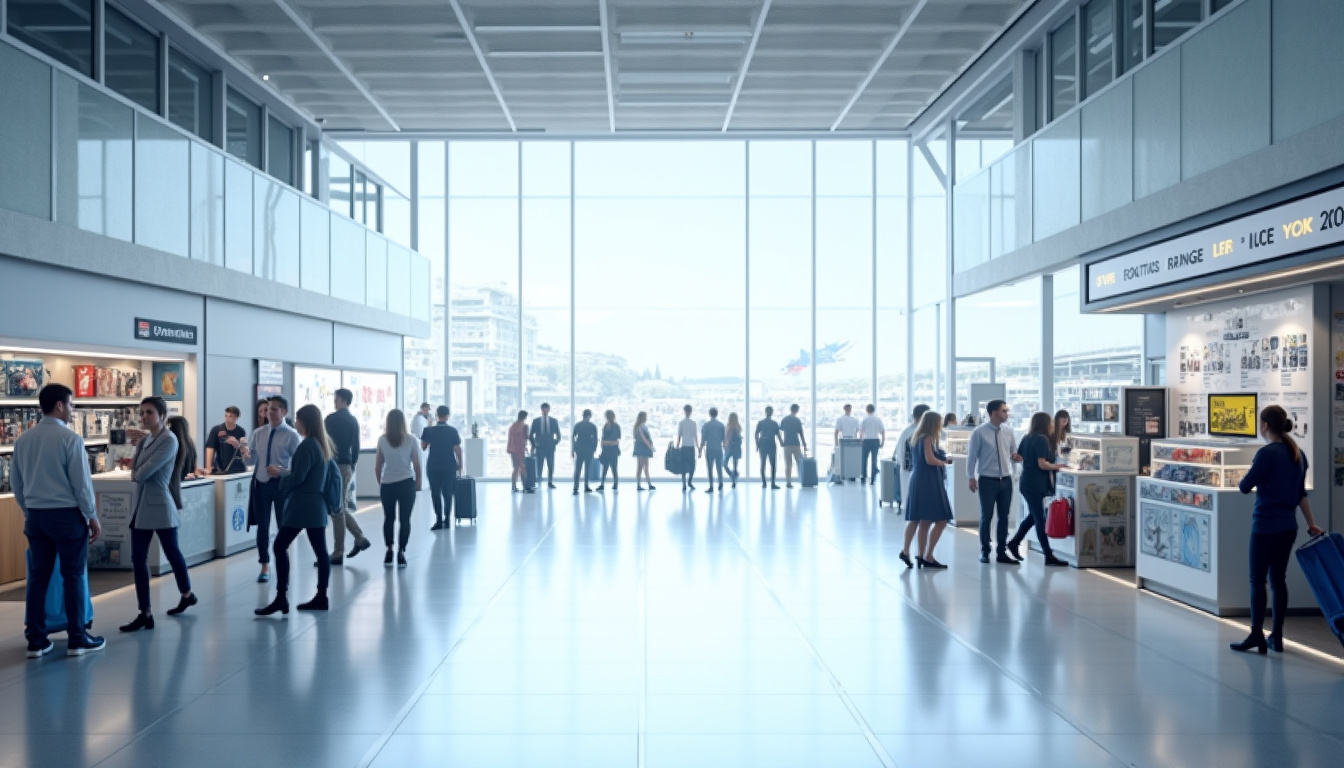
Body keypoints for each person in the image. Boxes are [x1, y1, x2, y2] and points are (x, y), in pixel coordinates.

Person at [12, 383, 105, 658]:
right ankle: (77, 638)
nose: (73, 410)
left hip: (36, 516)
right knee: (73, 575)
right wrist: (91, 516)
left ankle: (36, 640)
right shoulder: (70, 439)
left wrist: (28, 508)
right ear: (60, 405)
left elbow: (16, 483)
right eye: (71, 404)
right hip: (66, 516)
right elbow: (81, 484)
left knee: (38, 578)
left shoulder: (23, 440)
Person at [1232, 405, 1324, 654]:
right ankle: (1277, 636)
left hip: (1264, 525)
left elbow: (1244, 486)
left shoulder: (1266, 454)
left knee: (1257, 580)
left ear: (1264, 425)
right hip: (1288, 526)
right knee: (1278, 580)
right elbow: (1300, 494)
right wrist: (1311, 523)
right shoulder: (1298, 454)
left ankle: (1256, 635)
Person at [120, 398, 197, 632]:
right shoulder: (145, 441)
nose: (144, 417)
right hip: (142, 506)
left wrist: (137, 468)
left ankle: (186, 593)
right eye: (142, 412)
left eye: (149, 412)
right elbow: (135, 472)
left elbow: (141, 474)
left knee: (172, 553)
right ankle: (145, 612)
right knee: (138, 560)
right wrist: (137, 462)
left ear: (162, 415)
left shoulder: (169, 440)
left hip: (160, 505)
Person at [255, 404, 334, 615]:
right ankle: (321, 595)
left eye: (298, 420)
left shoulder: (307, 446)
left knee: (280, 545)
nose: (295, 423)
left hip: (302, 506)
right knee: (321, 551)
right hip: (316, 505)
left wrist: (280, 475)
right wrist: (286, 472)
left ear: (306, 422)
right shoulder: (321, 444)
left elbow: (298, 478)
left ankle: (282, 597)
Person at [244, 396, 301, 583]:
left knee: (284, 527)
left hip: (282, 486)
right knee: (263, 527)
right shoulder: (259, 433)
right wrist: (244, 453)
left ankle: (282, 563)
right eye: (268, 409)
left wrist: (281, 471)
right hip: (262, 485)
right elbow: (251, 460)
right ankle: (264, 565)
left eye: (274, 409)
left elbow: (298, 468)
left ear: (284, 412)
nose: (270, 413)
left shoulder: (292, 435)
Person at [1005, 412, 1069, 567]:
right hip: (1034, 484)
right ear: (1045, 424)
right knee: (1040, 519)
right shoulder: (1042, 439)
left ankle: (1014, 542)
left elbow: (1020, 457)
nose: (1052, 425)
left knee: (1034, 516)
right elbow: (1042, 464)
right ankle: (1048, 554)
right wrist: (1057, 466)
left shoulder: (1027, 437)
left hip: (1027, 481)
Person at [966, 399, 1022, 565]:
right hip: (987, 480)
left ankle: (1001, 552)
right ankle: (985, 550)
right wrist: (971, 477)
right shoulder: (979, 432)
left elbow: (1013, 452)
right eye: (1004, 411)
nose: (1007, 413)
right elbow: (972, 457)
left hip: (1005, 480)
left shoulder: (1008, 432)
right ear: (994, 413)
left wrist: (1016, 465)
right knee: (986, 516)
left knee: (1004, 516)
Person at [899, 410, 953, 569]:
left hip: (919, 479)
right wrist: (945, 462)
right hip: (928, 480)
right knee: (938, 519)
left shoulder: (916, 437)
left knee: (919, 518)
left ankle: (912, 552)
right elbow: (930, 460)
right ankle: (926, 555)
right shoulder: (927, 438)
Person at [324, 388, 372, 564]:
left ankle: (342, 550)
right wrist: (352, 464)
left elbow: (324, 443)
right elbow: (356, 446)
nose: (334, 402)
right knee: (339, 507)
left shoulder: (330, 419)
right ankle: (358, 540)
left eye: (336, 399)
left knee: (337, 509)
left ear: (343, 400)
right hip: (346, 466)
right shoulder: (352, 420)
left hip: (333, 466)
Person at [376, 409, 422, 568]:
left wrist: (381, 483)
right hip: (406, 483)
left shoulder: (382, 440)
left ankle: (389, 550)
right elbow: (416, 464)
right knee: (405, 519)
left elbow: (378, 466)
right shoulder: (411, 439)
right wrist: (418, 483)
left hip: (388, 484)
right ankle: (401, 552)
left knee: (389, 518)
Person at [423, 406, 465, 522]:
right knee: (447, 493)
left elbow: (423, 446)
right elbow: (458, 450)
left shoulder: (429, 430)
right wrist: (460, 465)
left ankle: (438, 519)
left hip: (433, 466)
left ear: (436, 415)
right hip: (449, 466)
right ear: (448, 416)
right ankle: (447, 519)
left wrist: (428, 426)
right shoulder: (453, 431)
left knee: (435, 493)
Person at [895, 404, 931, 509]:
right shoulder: (916, 433)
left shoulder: (907, 432)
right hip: (914, 472)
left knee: (910, 504)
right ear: (921, 417)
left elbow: (899, 456)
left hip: (908, 472)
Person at [203, 406, 247, 475]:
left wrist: (240, 445)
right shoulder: (216, 430)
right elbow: (210, 448)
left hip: (236, 467)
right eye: (226, 416)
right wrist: (208, 468)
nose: (227, 418)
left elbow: (243, 450)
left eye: (230, 416)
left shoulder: (241, 431)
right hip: (220, 467)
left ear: (236, 417)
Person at [530, 403, 562, 489]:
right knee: (539, 466)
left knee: (550, 466)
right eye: (543, 409)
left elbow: (558, 435)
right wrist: (534, 444)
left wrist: (554, 443)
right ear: (541, 409)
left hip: (550, 448)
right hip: (539, 447)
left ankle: (550, 482)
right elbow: (531, 435)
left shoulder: (554, 421)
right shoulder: (536, 421)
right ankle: (538, 481)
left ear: (549, 410)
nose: (545, 411)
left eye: (546, 409)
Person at [780, 404, 807, 488]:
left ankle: (788, 482)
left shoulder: (784, 419)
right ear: (797, 411)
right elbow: (801, 433)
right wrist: (804, 444)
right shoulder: (797, 420)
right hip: (796, 444)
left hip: (787, 444)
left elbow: (780, 431)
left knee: (788, 464)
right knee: (799, 463)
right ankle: (802, 479)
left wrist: (781, 442)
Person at [571, 409, 598, 495]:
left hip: (579, 448)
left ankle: (576, 487)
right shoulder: (592, 426)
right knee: (587, 469)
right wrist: (594, 449)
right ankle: (586, 486)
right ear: (590, 416)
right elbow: (595, 439)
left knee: (578, 469)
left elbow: (573, 438)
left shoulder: (578, 425)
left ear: (583, 415)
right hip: (589, 448)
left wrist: (573, 449)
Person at [755, 406, 782, 490]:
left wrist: (757, 444)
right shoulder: (774, 423)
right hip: (771, 444)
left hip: (763, 444)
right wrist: (782, 443)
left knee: (763, 463)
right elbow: (778, 435)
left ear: (765, 412)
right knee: (773, 464)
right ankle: (772, 483)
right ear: (772, 413)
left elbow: (756, 434)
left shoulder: (761, 422)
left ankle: (764, 483)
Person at [700, 407, 726, 493]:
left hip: (710, 449)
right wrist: (724, 448)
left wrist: (700, 450)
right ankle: (720, 483)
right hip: (718, 449)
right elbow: (724, 439)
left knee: (710, 468)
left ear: (709, 414)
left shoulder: (706, 425)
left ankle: (711, 486)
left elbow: (703, 439)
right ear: (717, 414)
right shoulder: (721, 425)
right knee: (719, 468)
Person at [166, 416, 200, 480]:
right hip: (189, 481)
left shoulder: (173, 444)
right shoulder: (190, 443)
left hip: (175, 481)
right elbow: (195, 468)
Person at [859, 404, 884, 485]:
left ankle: (863, 477)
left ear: (866, 410)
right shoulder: (878, 419)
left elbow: (861, 432)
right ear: (874, 410)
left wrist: (861, 440)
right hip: (875, 441)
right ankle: (873, 479)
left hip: (866, 441)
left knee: (864, 459)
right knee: (874, 460)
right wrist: (883, 442)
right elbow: (882, 431)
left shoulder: (864, 419)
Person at [597, 410, 621, 492]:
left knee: (610, 468)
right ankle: (609, 484)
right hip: (608, 450)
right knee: (608, 468)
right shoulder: (607, 426)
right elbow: (613, 440)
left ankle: (610, 484)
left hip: (611, 450)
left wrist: (606, 442)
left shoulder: (614, 426)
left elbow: (614, 440)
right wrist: (608, 442)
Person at [506, 409, 529, 494]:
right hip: (520, 449)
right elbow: (526, 437)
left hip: (512, 449)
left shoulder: (512, 426)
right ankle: (525, 486)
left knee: (515, 468)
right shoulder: (524, 426)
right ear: (525, 417)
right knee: (523, 467)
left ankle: (514, 486)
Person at [632, 411, 656, 492]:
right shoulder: (640, 427)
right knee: (641, 467)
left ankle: (648, 484)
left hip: (643, 448)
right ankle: (640, 485)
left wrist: (650, 446)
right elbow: (644, 438)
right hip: (642, 448)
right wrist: (650, 446)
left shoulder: (641, 427)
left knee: (644, 467)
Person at [676, 405, 698, 491]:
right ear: (691, 411)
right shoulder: (693, 423)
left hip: (684, 446)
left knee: (683, 466)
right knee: (692, 465)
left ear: (684, 411)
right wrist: (698, 447)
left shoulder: (681, 423)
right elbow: (695, 436)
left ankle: (684, 484)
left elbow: (679, 436)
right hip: (691, 447)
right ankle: (690, 481)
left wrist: (677, 446)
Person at [724, 412, 743, 488]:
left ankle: (732, 476)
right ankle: (734, 480)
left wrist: (726, 445)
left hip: (730, 447)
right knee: (735, 466)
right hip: (737, 448)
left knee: (725, 463)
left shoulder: (729, 427)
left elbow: (728, 437)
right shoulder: (738, 427)